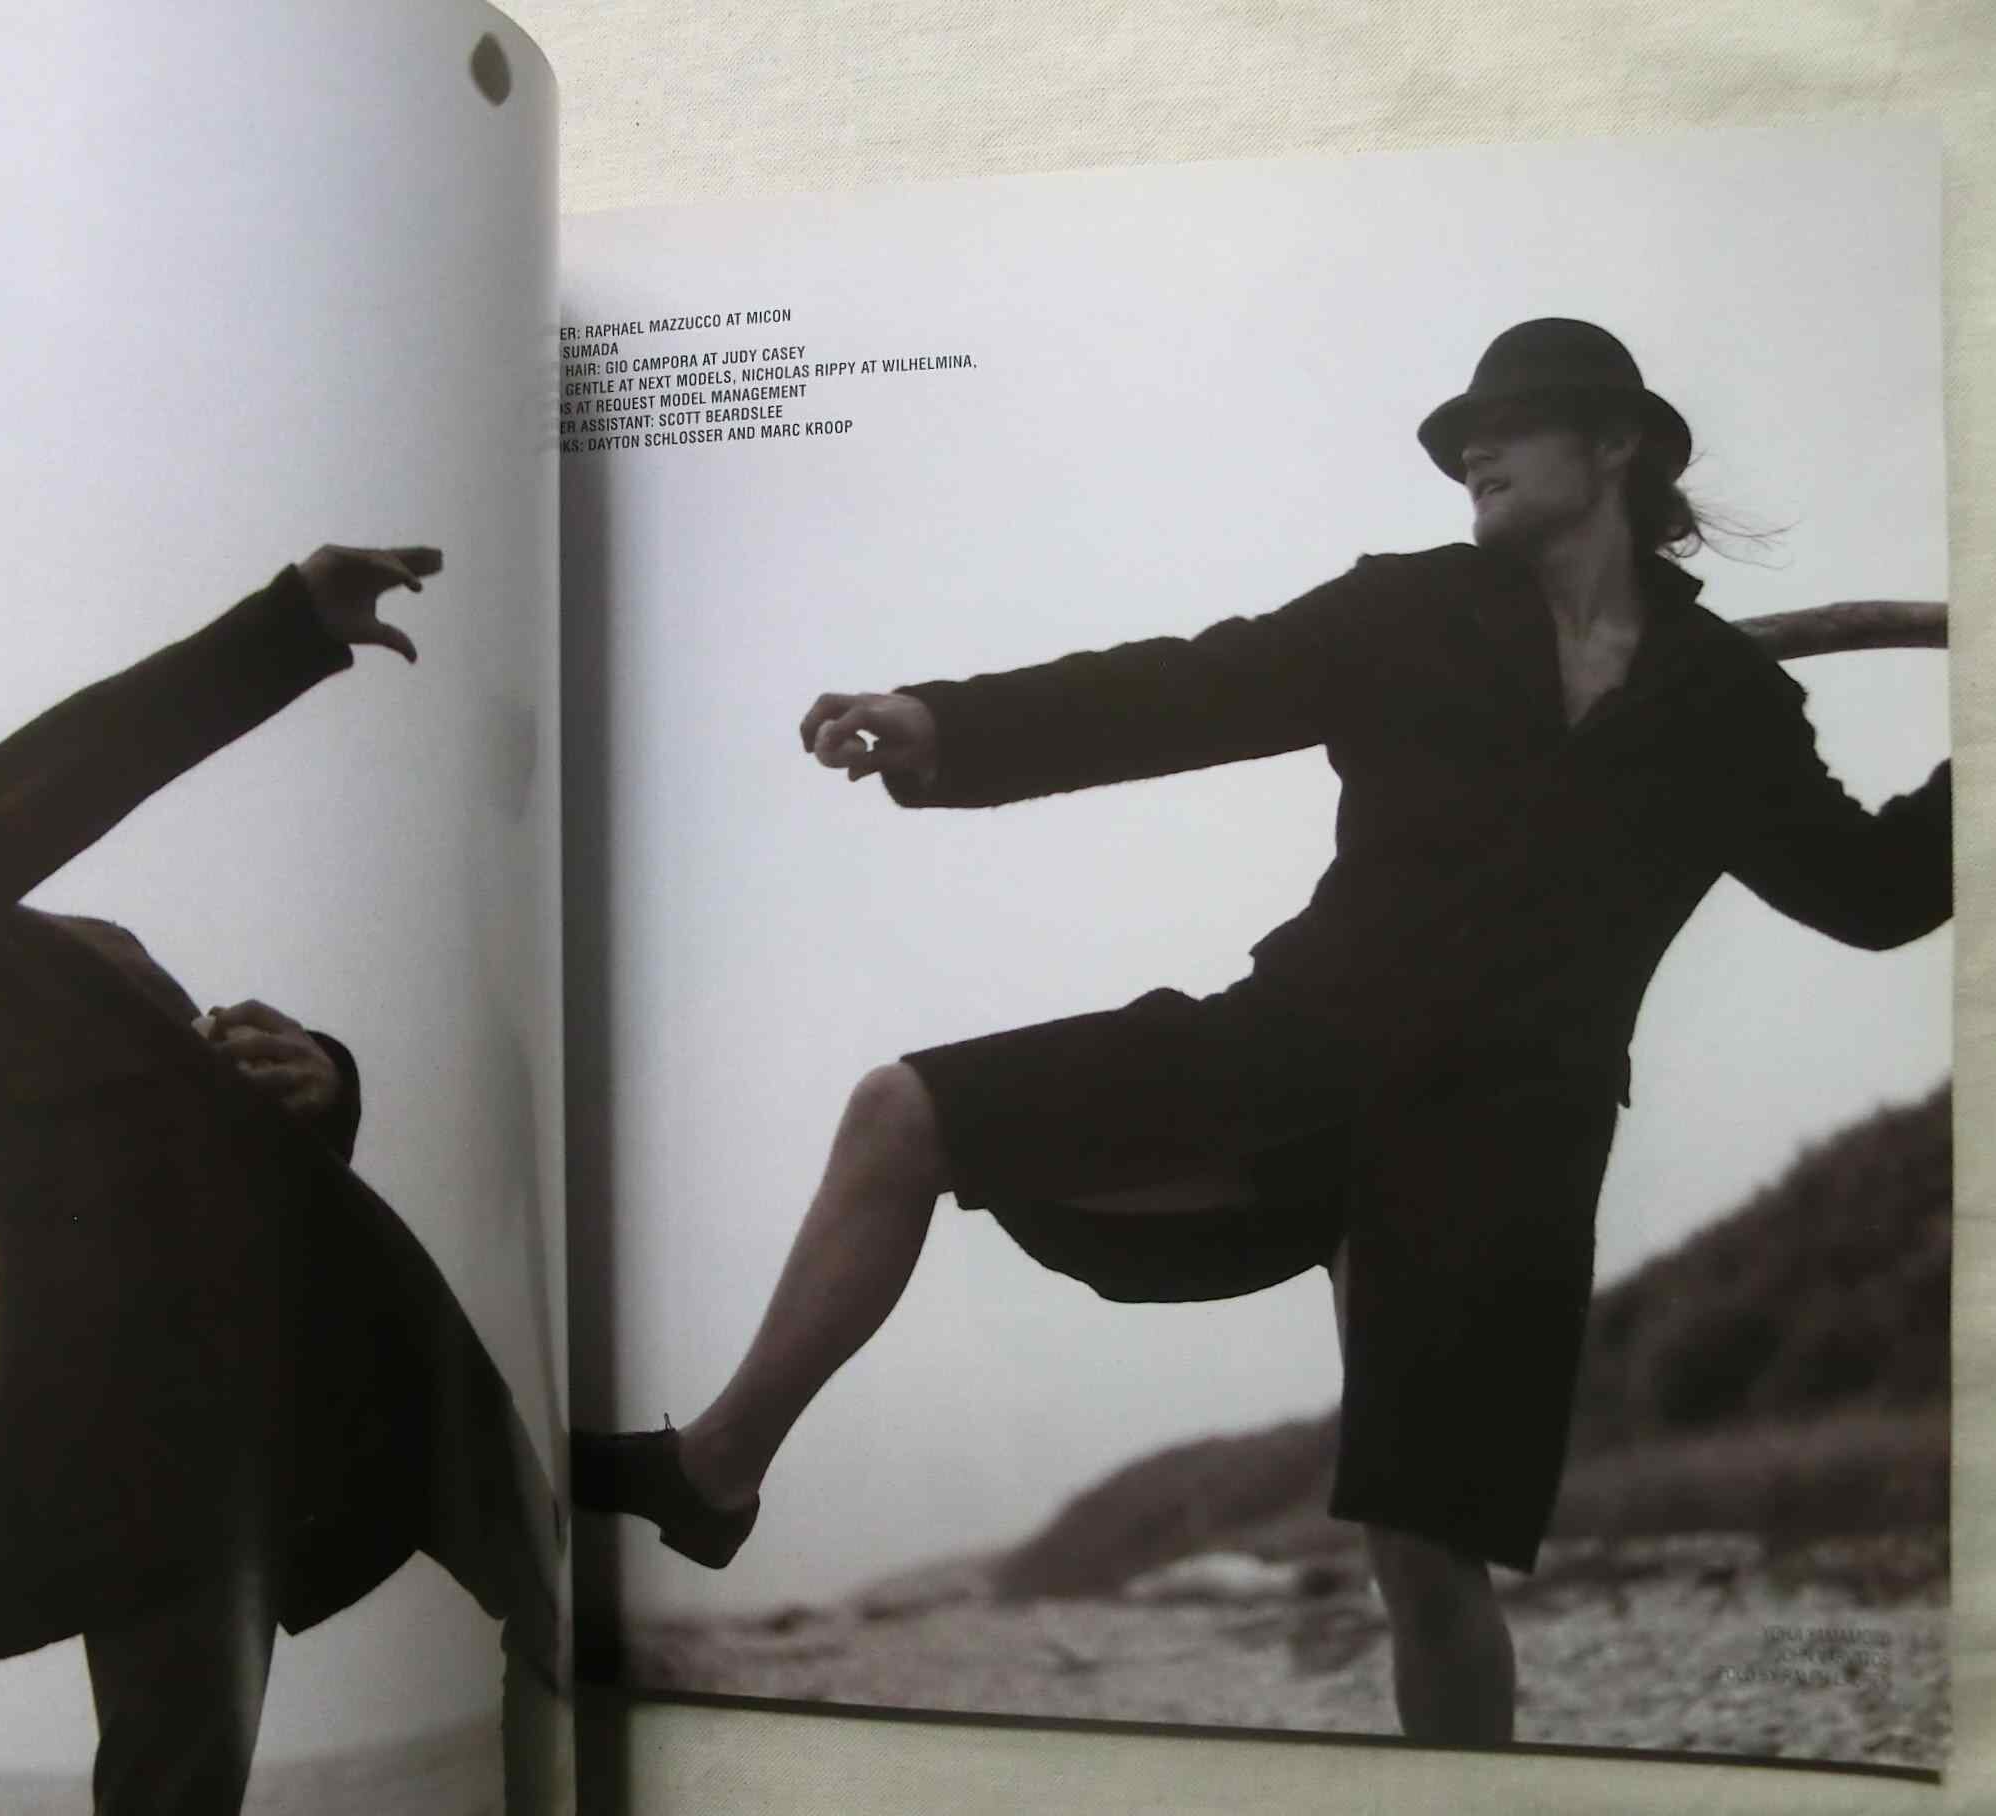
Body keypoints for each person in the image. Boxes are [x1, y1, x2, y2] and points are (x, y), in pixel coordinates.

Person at [574, 320, 1952, 1745]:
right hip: (1289, 1054)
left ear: (1614, 444)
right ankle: (716, 1469)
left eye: (1511, 423)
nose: (1471, 450)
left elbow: (1873, 892)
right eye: (1462, 436)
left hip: (1502, 1151)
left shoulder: (1723, 704)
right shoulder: (1406, 611)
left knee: (1428, 1563)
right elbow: (1189, 686)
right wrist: (946, 723)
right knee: (903, 1112)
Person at [0, 547, 556, 1814]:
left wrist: (323, 1073)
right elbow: (68, 768)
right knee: (179, 1775)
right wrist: (285, 626)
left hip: (346, 1317)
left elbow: (206, 1120)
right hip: (146, 1406)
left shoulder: (92, 942)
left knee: (562, 1597)